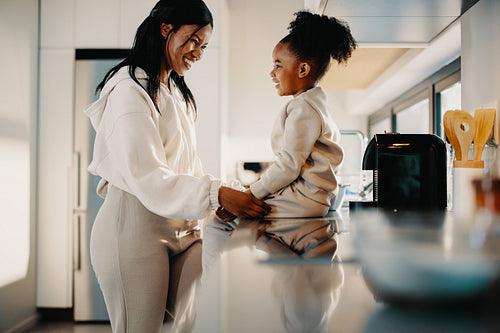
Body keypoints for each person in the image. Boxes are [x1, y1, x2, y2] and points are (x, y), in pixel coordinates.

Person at [85, 1, 271, 332]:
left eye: (204, 45)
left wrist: (226, 195)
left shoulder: (176, 94)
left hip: (180, 229)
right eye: (194, 41)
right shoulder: (130, 91)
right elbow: (150, 177)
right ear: (166, 29)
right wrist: (218, 194)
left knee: (206, 311)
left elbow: (188, 169)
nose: (198, 52)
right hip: (132, 231)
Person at [216, 10, 356, 221]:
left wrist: (249, 194)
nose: (272, 73)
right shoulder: (316, 104)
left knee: (218, 223)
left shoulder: (303, 108)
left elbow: (288, 166)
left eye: (278, 65)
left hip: (303, 200)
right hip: (313, 200)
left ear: (302, 70)